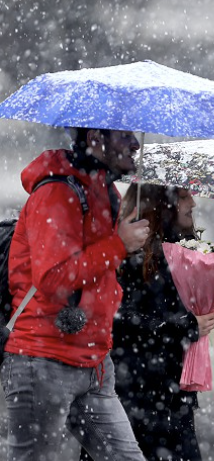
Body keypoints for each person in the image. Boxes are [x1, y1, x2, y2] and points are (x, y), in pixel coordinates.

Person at [3, 128, 151, 460]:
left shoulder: (105, 190)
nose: (134, 144)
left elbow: (98, 271)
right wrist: (118, 245)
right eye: (123, 135)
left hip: (95, 363)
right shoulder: (57, 192)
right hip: (43, 359)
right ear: (96, 137)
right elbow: (54, 278)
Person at [93, 183, 214, 461]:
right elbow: (119, 320)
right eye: (185, 197)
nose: (193, 205)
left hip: (173, 397)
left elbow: (190, 317)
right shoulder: (127, 256)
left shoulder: (187, 254)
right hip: (132, 394)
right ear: (162, 204)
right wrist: (184, 326)